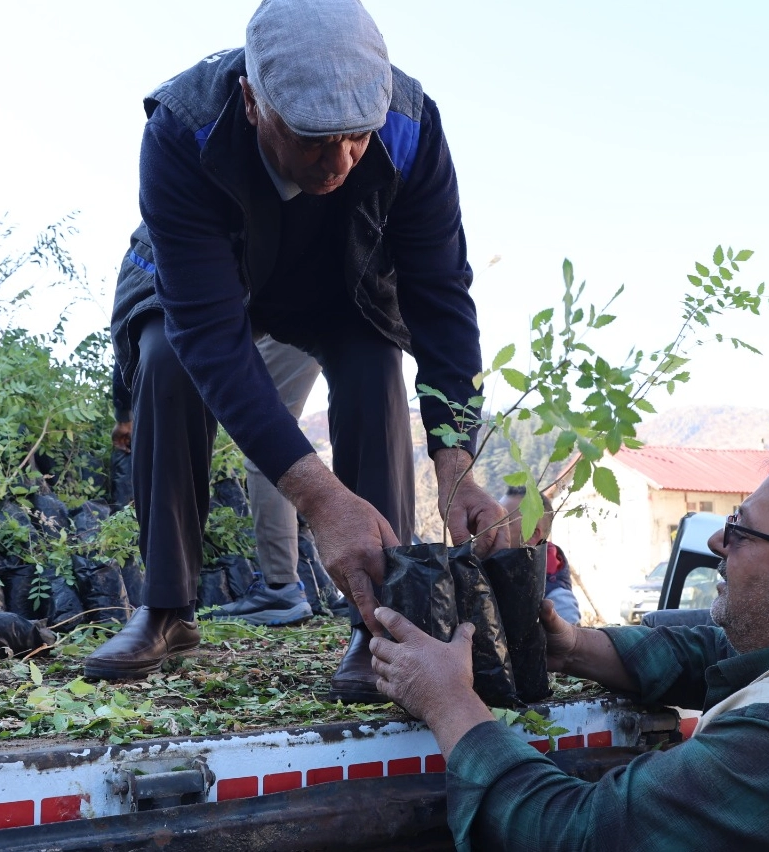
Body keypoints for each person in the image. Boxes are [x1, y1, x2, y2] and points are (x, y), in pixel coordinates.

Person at [87, 0, 508, 702]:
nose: (339, 160)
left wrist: (456, 461)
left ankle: (377, 621)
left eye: (354, 138)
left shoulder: (409, 127)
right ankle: (166, 608)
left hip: (340, 279)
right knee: (166, 357)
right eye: (313, 139)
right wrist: (318, 498)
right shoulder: (183, 129)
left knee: (372, 360)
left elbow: (440, 295)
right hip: (215, 276)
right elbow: (210, 336)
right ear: (253, 101)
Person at [370, 451, 769, 851]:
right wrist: (577, 647)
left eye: (741, 530)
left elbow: (573, 833)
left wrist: (449, 702)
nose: (715, 541)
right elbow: (716, 653)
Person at [110, 338, 323, 628]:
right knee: (351, 413)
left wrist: (124, 414)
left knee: (268, 440)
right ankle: (385, 588)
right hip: (346, 305)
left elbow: (132, 338)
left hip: (283, 309)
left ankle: (280, 588)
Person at [498, 485, 580, 625]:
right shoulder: (500, 573)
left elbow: (573, 644)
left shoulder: (557, 601)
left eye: (505, 522)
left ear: (531, 535)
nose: (492, 527)